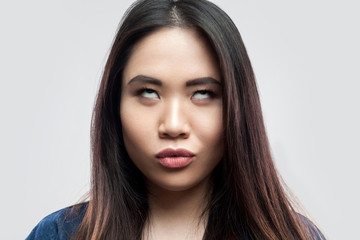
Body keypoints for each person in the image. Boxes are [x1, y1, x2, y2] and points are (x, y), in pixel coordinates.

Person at [26, 0, 326, 239]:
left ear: (237, 107)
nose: (172, 125)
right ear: (113, 107)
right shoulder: (57, 235)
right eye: (148, 92)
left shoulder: (293, 236)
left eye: (203, 94)